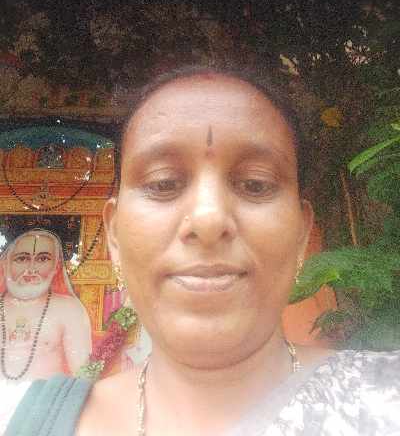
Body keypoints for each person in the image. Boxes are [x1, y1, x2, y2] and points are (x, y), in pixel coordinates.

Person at [5, 67, 400, 436]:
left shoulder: (384, 401)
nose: (209, 218)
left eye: (256, 184)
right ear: (114, 235)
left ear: (301, 233)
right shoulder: (22, 420)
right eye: (163, 183)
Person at [0, 228, 92, 381]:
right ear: (5, 264)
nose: (31, 269)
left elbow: (83, 376)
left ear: (56, 266)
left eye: (42, 259)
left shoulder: (69, 309)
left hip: (48, 395)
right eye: (22, 259)